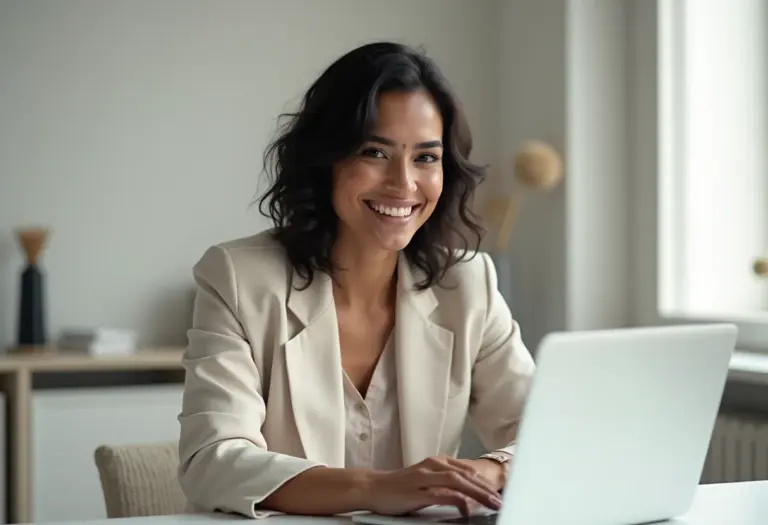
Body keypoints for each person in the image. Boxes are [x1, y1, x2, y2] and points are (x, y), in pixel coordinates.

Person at [177, 41, 535, 519]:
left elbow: (547, 431)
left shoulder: (468, 283)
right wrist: (377, 488)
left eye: (426, 158)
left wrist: (490, 473)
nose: (404, 184)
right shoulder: (238, 278)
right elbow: (212, 461)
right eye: (374, 152)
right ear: (325, 160)